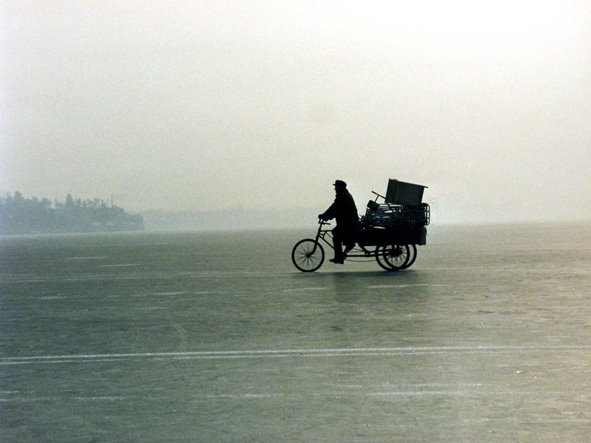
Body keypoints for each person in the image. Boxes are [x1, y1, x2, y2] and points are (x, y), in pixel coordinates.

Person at [319, 180, 359, 264]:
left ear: (340, 187)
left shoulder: (342, 196)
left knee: (336, 236)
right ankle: (347, 247)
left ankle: (339, 257)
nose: (335, 188)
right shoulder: (344, 195)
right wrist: (326, 216)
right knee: (337, 233)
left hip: (349, 223)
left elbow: (334, 208)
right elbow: (335, 209)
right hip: (349, 222)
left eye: (336, 186)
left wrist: (324, 216)